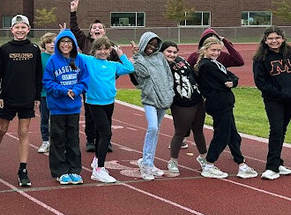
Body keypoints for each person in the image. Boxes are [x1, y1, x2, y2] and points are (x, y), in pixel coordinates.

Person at [194, 37, 259, 180]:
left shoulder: (215, 63)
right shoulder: (206, 66)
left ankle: (241, 164)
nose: (216, 53)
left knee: (233, 135)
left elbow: (231, 77)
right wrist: (229, 82)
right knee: (222, 135)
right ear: (205, 49)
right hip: (218, 104)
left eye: (219, 50)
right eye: (213, 50)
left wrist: (233, 82)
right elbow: (224, 80)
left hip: (225, 103)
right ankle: (209, 164)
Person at [0, 14, 43, 188]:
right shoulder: (5, 49)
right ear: (12, 30)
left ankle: (23, 169)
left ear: (28, 29)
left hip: (27, 97)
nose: (20, 30)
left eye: (23, 27)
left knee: (23, 132)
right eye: (17, 27)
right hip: (7, 97)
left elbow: (38, 75)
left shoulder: (34, 49)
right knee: (2, 129)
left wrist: (37, 97)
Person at [252, 27, 291, 180]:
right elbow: (260, 81)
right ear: (265, 40)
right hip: (273, 100)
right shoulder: (260, 58)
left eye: (277, 38)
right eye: (270, 38)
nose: (274, 41)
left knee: (282, 130)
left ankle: (278, 162)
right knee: (276, 129)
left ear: (282, 39)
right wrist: (278, 93)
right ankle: (271, 167)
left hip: (290, 98)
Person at [79, 36, 134, 183]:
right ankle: (99, 170)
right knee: (106, 133)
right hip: (94, 103)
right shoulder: (89, 61)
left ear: (110, 51)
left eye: (106, 49)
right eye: (99, 49)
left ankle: (97, 160)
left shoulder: (113, 65)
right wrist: (64, 35)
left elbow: (130, 68)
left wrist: (121, 55)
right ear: (94, 50)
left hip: (109, 103)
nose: (102, 52)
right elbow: (73, 53)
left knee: (100, 133)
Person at [42, 29, 88, 184]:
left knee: (73, 139)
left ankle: (74, 169)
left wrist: (76, 90)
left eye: (69, 42)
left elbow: (84, 80)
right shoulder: (53, 61)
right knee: (58, 140)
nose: (66, 45)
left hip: (73, 107)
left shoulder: (79, 60)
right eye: (63, 42)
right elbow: (47, 82)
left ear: (73, 44)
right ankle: (60, 171)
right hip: (57, 108)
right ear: (58, 44)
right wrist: (62, 90)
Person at [69, 0, 113, 153]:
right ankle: (90, 139)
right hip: (88, 86)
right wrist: (73, 12)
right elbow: (74, 30)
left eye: (100, 27)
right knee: (90, 114)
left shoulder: (111, 47)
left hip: (105, 87)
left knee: (107, 115)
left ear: (104, 31)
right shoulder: (85, 42)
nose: (97, 29)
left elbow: (117, 66)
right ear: (90, 32)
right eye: (94, 27)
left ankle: (105, 140)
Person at [160, 41, 208, 176]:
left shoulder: (181, 60)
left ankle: (204, 157)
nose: (172, 54)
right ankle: (173, 161)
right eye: (169, 52)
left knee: (199, 131)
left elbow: (193, 75)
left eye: (175, 52)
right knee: (180, 133)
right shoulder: (160, 66)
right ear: (162, 52)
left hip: (197, 99)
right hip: (181, 103)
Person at [133, 31, 175, 180]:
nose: (151, 47)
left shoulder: (160, 57)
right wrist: (138, 56)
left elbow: (168, 75)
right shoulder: (138, 60)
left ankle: (150, 163)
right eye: (149, 44)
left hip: (164, 99)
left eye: (155, 45)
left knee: (156, 131)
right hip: (150, 99)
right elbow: (144, 74)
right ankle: (145, 164)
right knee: (153, 128)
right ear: (144, 43)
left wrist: (170, 92)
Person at [37, 32, 56, 154]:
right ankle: (45, 140)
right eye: (49, 42)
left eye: (54, 42)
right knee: (44, 118)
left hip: (58, 94)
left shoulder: (61, 57)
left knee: (57, 119)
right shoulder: (40, 58)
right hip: (44, 93)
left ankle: (57, 141)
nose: (52, 45)